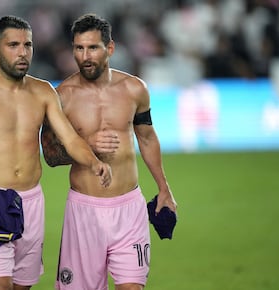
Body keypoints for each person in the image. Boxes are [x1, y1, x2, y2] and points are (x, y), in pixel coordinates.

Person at [0, 15, 112, 290]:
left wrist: (93, 161)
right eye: (13, 45)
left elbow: (69, 138)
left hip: (31, 202)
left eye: (27, 45)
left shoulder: (43, 91)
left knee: (22, 287)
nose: (22, 52)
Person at [41, 14, 177, 290]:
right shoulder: (62, 96)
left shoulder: (135, 89)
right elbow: (50, 155)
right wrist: (87, 145)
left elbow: (147, 138)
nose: (85, 56)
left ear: (110, 48)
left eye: (92, 48)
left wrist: (164, 187)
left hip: (129, 209)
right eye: (79, 48)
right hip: (84, 211)